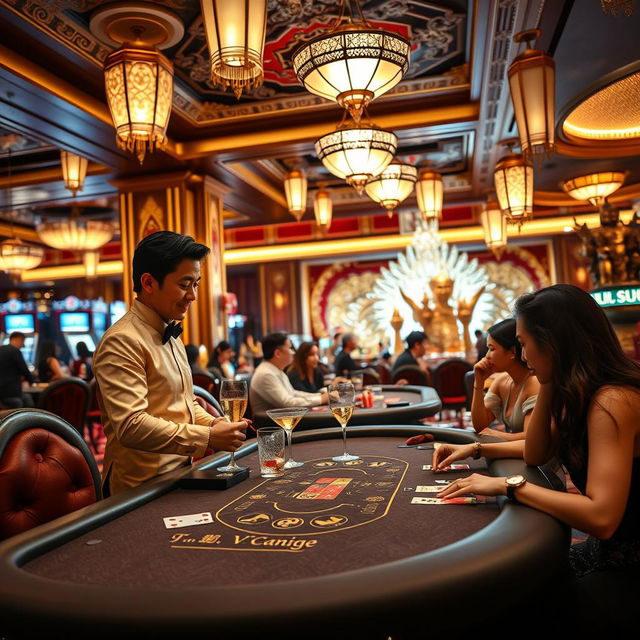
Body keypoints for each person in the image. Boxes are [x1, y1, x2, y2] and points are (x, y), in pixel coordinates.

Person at [434, 284, 640, 577]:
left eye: (524, 343)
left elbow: (602, 517)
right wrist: (546, 381)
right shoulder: (575, 391)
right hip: (611, 548)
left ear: (552, 343)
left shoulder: (613, 401)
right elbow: (536, 453)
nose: (523, 354)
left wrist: (508, 486)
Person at [93, 231, 247, 496]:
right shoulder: (121, 340)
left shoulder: (170, 331)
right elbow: (132, 426)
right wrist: (208, 438)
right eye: (185, 284)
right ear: (149, 283)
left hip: (180, 475)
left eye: (196, 284)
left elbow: (181, 406)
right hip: (138, 491)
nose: (193, 295)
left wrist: (213, 424)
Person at [471, 319, 539, 441]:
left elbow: (532, 440)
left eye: (492, 349)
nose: (486, 356)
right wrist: (478, 384)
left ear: (512, 352)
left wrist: (497, 434)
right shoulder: (502, 381)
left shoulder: (534, 383)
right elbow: (480, 425)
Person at [250, 332, 327, 414]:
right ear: (278, 353)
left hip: (284, 418)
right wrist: (321, 399)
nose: (293, 352)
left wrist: (320, 396)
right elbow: (287, 403)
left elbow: (293, 393)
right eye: (290, 348)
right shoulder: (265, 374)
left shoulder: (275, 370)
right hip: (271, 424)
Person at [0, 331, 34, 408]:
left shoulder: (1, 349)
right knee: (25, 406)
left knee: (27, 398)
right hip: (11, 391)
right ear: (18, 339)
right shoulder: (15, 351)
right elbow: (24, 369)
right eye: (23, 342)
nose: (23, 345)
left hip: (2, 391)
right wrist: (32, 382)